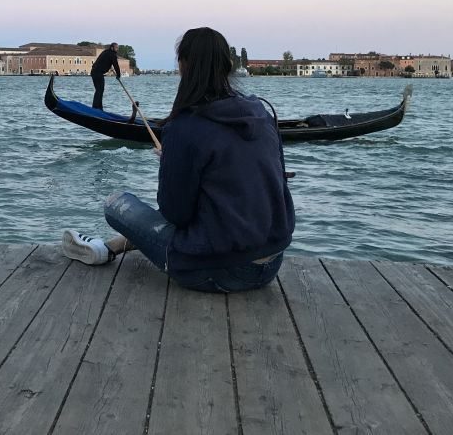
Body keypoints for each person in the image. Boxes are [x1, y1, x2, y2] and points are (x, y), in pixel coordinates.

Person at [63, 27, 295, 293]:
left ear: (183, 65)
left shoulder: (184, 128)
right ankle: (110, 247)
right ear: (228, 65)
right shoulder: (262, 114)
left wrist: (170, 165)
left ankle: (105, 249)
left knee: (116, 203)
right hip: (271, 263)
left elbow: (175, 214)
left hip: (218, 271)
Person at [90, 42, 121, 110]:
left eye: (118, 48)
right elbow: (116, 65)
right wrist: (118, 75)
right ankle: (95, 107)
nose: (117, 49)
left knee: (99, 90)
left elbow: (103, 61)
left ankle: (99, 108)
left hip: (94, 72)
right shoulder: (112, 54)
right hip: (98, 73)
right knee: (100, 90)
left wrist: (109, 65)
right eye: (116, 48)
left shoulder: (105, 52)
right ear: (112, 48)